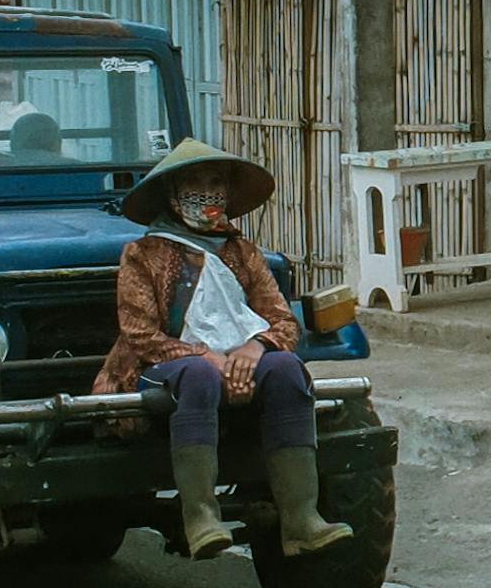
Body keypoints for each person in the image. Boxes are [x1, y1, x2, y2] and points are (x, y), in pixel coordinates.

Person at [93, 137, 352, 562]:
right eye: (195, 181)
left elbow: (283, 321)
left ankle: (302, 519)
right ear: (173, 194)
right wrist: (206, 357)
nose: (207, 191)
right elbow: (140, 334)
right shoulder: (143, 254)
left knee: (287, 368)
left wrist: (254, 349)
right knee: (197, 377)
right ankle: (200, 518)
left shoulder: (244, 253)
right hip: (164, 365)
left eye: (216, 181)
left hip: (239, 361)